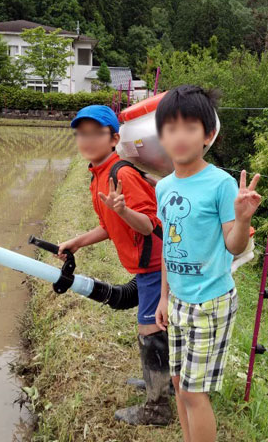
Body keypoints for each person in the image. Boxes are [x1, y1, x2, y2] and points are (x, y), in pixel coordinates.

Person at [153, 85, 261, 442]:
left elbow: (234, 246)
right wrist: (164, 297)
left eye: (189, 127)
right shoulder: (163, 187)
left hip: (210, 303)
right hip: (179, 301)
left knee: (192, 393)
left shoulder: (221, 184)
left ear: (208, 134)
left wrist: (243, 219)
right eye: (170, 127)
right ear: (161, 135)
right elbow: (169, 245)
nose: (179, 136)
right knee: (177, 382)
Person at [56, 104, 172, 426]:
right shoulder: (97, 175)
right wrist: (75, 242)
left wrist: (123, 211)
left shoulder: (120, 174)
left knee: (150, 329)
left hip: (155, 263)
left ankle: (157, 407)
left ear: (114, 138)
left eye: (96, 133)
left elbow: (150, 225)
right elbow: (108, 225)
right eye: (82, 133)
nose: (87, 140)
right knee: (157, 327)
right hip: (145, 263)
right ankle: (160, 383)